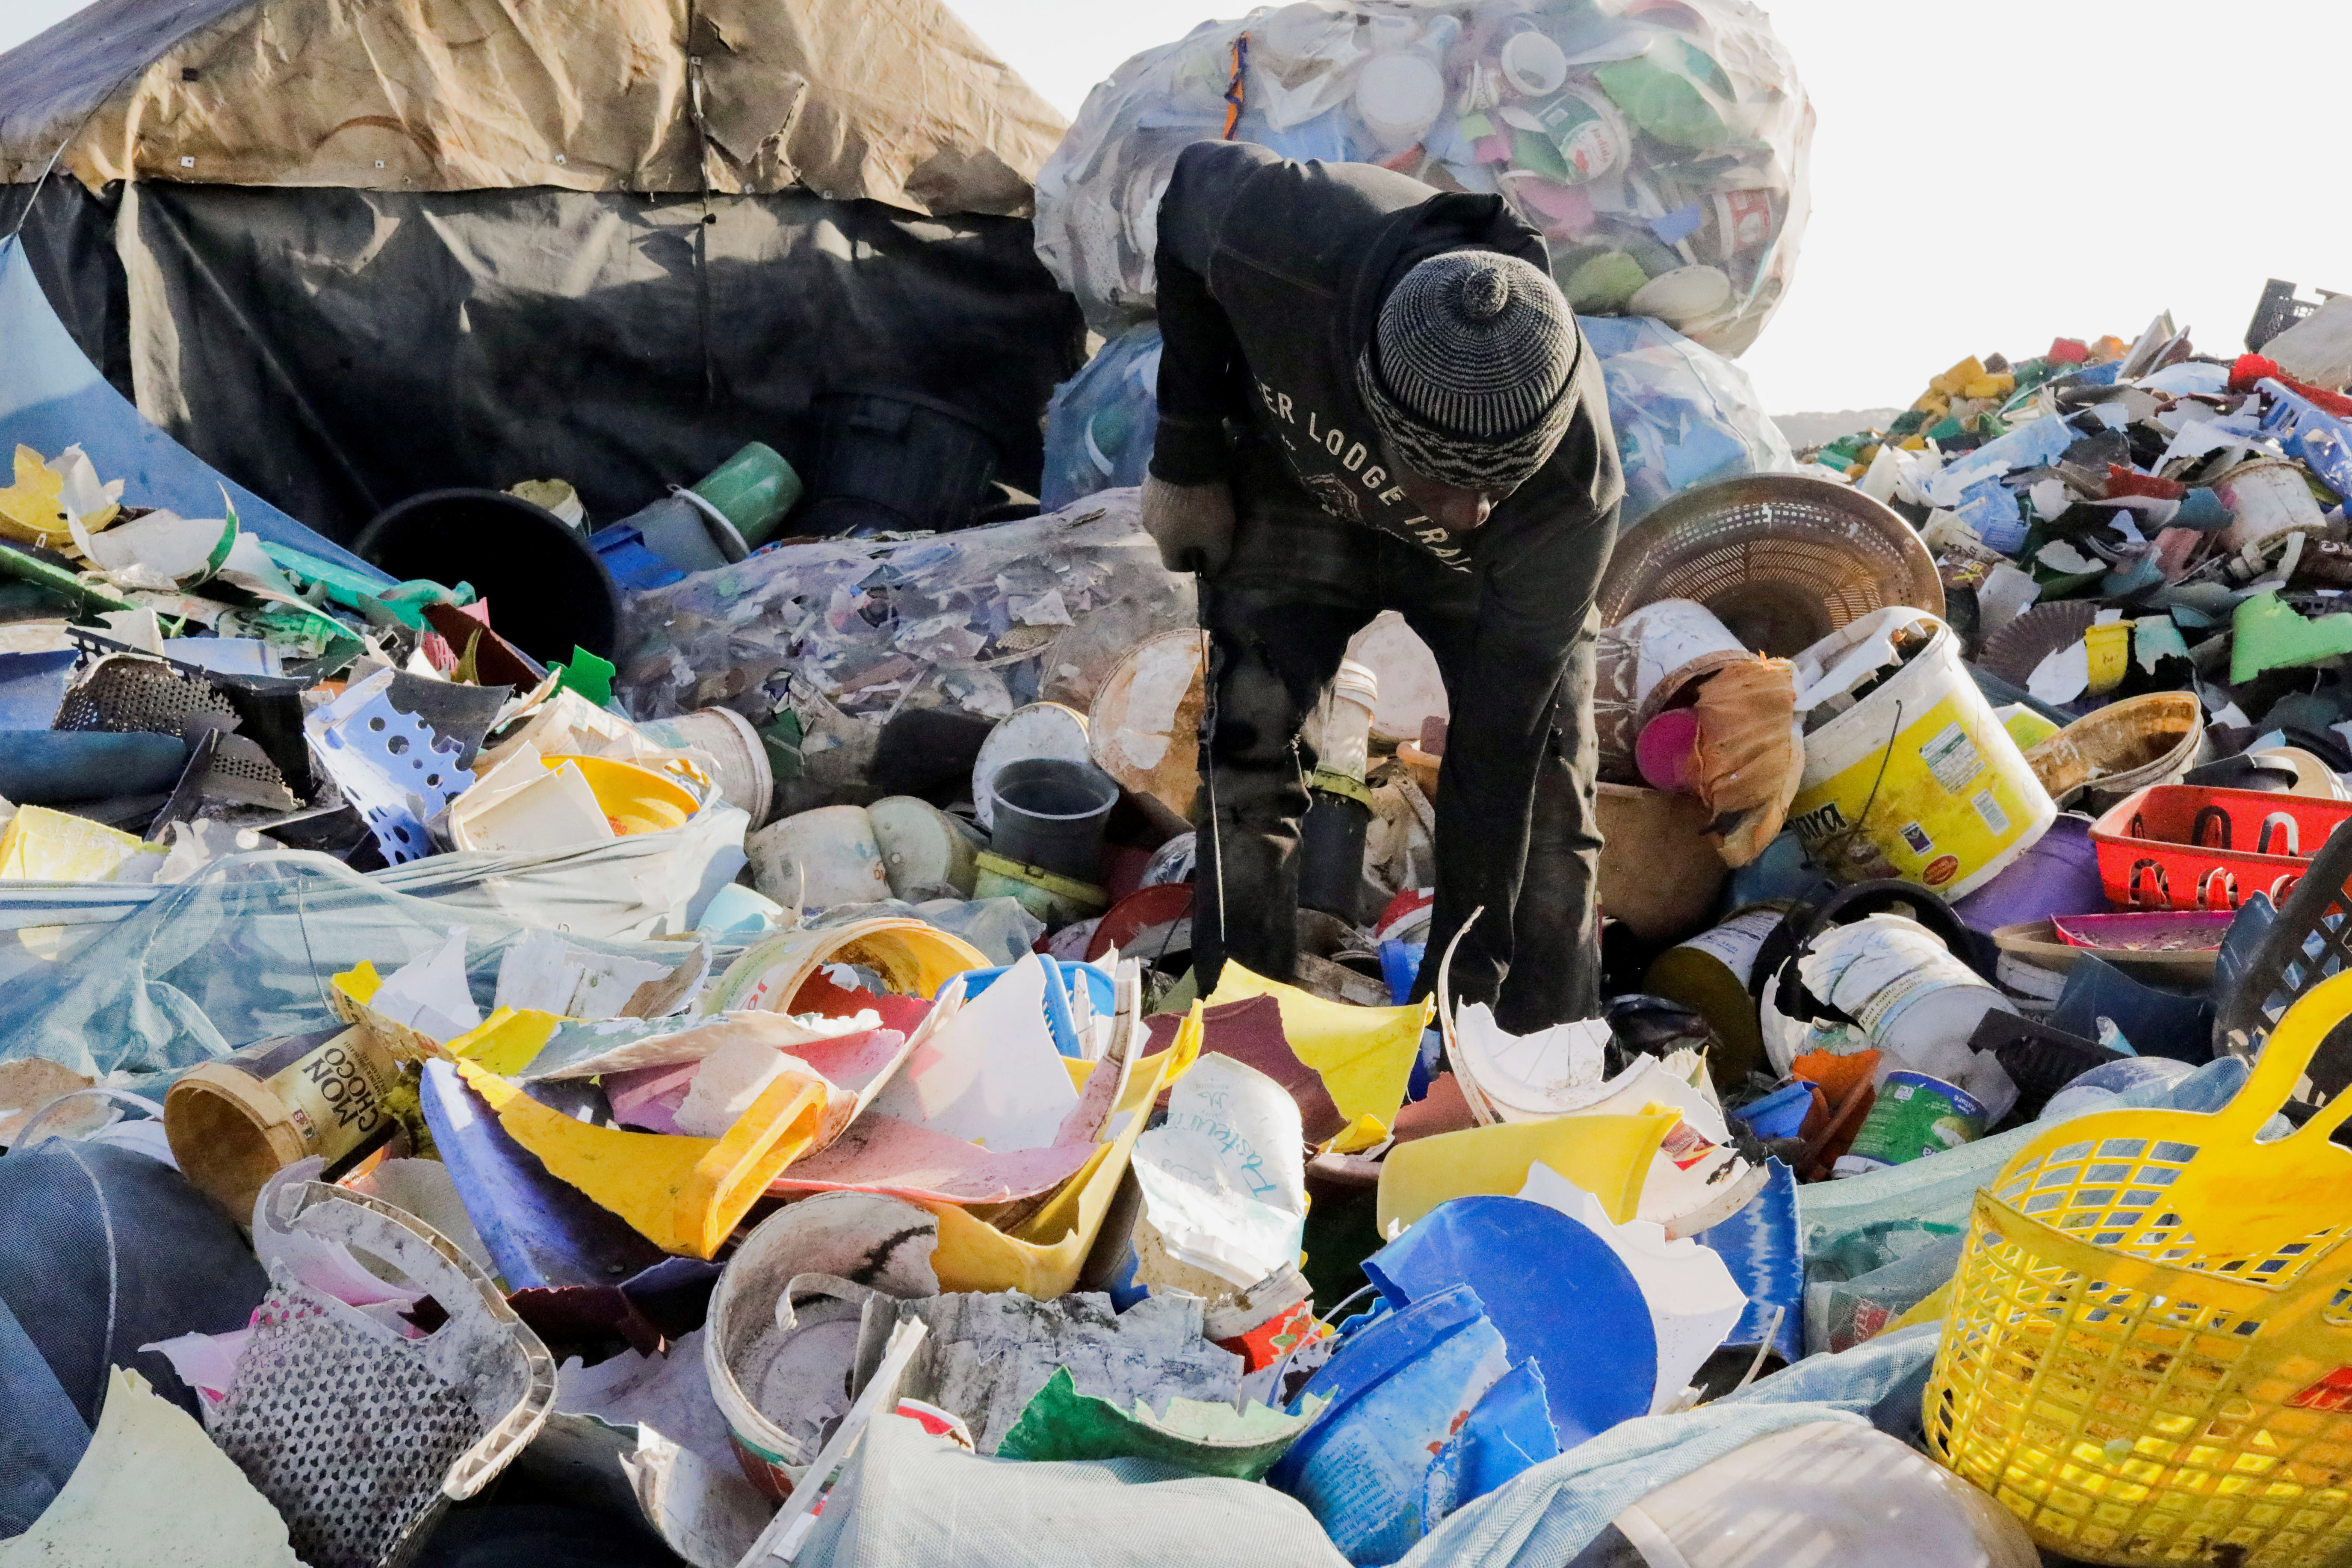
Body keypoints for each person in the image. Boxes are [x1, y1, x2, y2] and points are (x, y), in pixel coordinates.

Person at [1141, 139, 1622, 1033]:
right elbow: (1182, 204)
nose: (1471, 512)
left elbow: (1495, 761)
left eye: (1499, 481)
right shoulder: (1277, 234)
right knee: (1247, 756)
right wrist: (1187, 453)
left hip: (1500, 574)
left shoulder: (1568, 500)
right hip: (1304, 484)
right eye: (1446, 481)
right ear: (1372, 399)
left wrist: (1455, 1015)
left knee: (1548, 803)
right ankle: (1242, 1040)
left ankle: (1528, 1060)